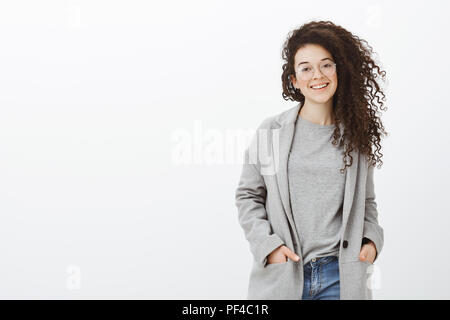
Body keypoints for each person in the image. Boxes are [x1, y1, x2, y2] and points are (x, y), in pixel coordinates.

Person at [235, 20, 387, 300]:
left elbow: (367, 203)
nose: (317, 75)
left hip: (340, 278)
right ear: (294, 80)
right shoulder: (271, 132)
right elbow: (248, 196)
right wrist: (268, 246)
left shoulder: (356, 136)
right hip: (283, 274)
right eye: (306, 68)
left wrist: (371, 242)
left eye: (326, 64)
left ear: (340, 70)